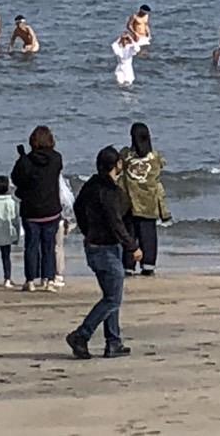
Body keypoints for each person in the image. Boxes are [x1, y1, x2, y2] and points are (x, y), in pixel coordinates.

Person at [66, 147, 143, 361]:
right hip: (104, 248)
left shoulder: (92, 185)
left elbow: (78, 208)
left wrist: (86, 230)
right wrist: (133, 247)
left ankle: (113, 341)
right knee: (112, 299)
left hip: (96, 245)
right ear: (117, 165)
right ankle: (81, 335)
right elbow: (116, 223)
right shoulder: (108, 192)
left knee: (112, 295)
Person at [10, 125, 63, 292]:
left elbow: (16, 179)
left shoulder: (25, 161)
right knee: (49, 245)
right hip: (51, 209)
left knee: (31, 246)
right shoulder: (56, 159)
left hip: (31, 210)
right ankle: (49, 279)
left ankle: (30, 280)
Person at [117, 122, 168, 277]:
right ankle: (148, 265)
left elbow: (118, 168)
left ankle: (128, 266)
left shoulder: (126, 155)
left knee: (130, 235)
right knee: (149, 235)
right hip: (149, 203)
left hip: (129, 203)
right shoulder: (155, 157)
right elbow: (162, 166)